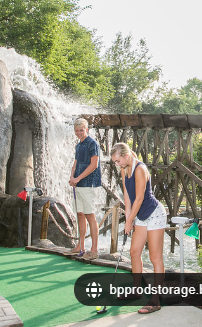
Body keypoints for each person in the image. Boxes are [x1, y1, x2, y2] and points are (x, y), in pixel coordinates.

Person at [110, 142, 166, 314]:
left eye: (118, 161)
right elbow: (127, 196)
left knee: (155, 257)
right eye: (115, 162)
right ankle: (136, 291)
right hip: (140, 215)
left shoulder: (140, 169)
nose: (116, 164)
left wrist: (130, 221)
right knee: (134, 252)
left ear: (126, 156)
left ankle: (155, 300)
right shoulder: (124, 169)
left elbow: (140, 198)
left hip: (154, 214)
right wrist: (129, 219)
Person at [68, 118, 101, 260]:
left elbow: (94, 165)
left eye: (81, 130)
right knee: (80, 214)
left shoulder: (92, 143)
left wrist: (78, 178)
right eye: (77, 131)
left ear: (86, 129)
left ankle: (94, 250)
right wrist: (72, 177)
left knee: (90, 215)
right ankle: (80, 247)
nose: (79, 133)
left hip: (88, 184)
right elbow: (75, 163)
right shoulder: (78, 145)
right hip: (78, 184)